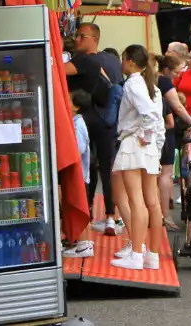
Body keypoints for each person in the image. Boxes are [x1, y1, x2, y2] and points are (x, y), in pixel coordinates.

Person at [64, 23, 126, 237]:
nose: (77, 39)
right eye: (76, 35)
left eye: (81, 36)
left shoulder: (84, 60)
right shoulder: (109, 60)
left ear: (94, 39)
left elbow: (56, 71)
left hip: (87, 118)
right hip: (107, 120)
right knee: (105, 168)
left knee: (84, 168)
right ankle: (110, 216)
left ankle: (86, 216)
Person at [109, 45, 165, 270]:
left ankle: (136, 254)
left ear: (130, 61)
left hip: (134, 143)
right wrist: (153, 141)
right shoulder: (151, 85)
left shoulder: (133, 82)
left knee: (137, 201)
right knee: (152, 202)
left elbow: (150, 114)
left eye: (123, 60)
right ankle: (152, 254)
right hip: (148, 146)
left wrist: (144, 134)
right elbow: (156, 118)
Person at [157, 54, 191, 231]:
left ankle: (156, 213)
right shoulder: (165, 83)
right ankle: (165, 214)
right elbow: (178, 106)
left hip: (153, 131)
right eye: (176, 72)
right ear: (167, 70)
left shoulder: (151, 80)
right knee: (166, 173)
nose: (177, 75)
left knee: (154, 174)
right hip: (165, 131)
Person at [63, 90, 95, 258]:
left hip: (79, 176)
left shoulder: (77, 124)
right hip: (82, 175)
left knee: (79, 209)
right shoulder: (77, 122)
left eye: (68, 100)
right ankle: (85, 241)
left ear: (76, 107)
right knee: (82, 208)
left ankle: (83, 245)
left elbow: (78, 148)